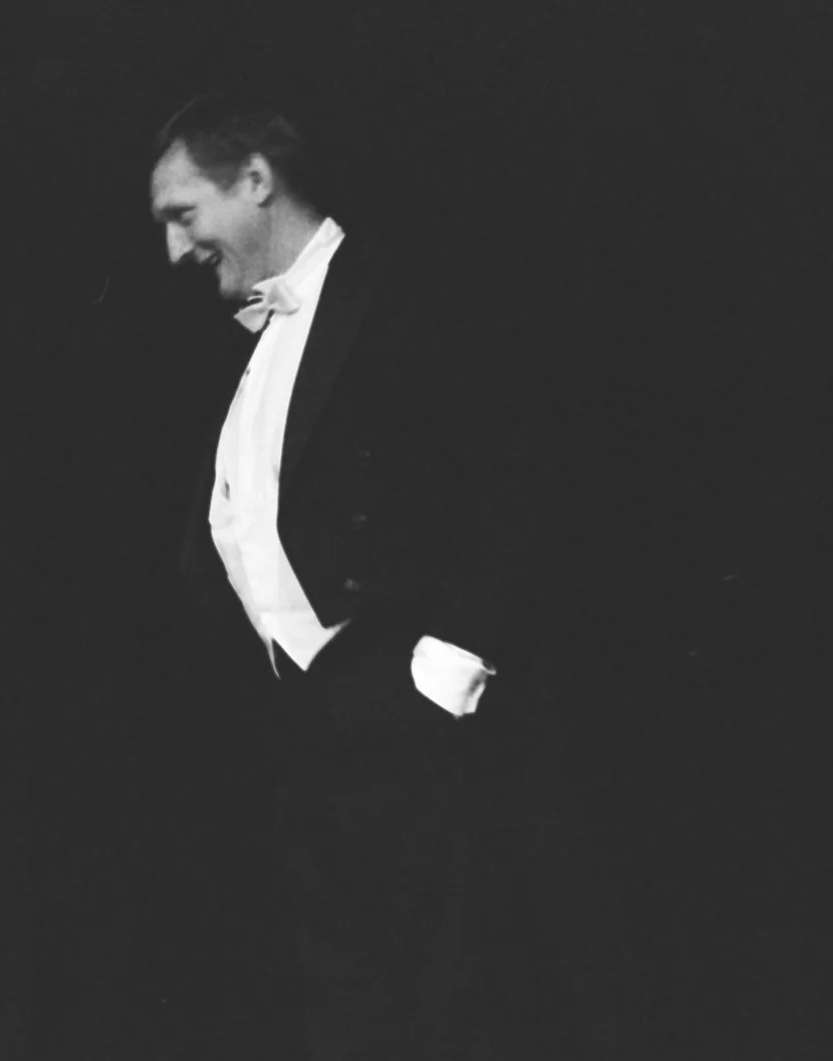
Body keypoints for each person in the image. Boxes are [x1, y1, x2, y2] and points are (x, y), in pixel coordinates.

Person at [150, 92, 596, 1059]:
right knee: (348, 1005)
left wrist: (449, 663)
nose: (175, 249)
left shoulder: (406, 288)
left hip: (411, 703)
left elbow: (518, 464)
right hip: (304, 725)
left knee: (457, 1001)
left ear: (256, 180)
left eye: (184, 214)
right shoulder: (249, 336)